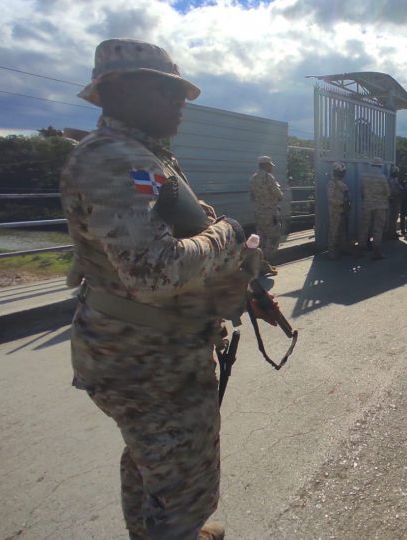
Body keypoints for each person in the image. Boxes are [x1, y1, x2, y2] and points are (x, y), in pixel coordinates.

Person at [59, 38, 276, 540]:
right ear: (116, 90)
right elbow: (154, 272)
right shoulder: (114, 159)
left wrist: (239, 287)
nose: (179, 102)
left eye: (179, 91)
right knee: (183, 483)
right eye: (163, 90)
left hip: (152, 350)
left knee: (151, 464)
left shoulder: (144, 156)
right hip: (146, 360)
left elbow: (169, 246)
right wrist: (228, 234)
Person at [250, 155, 284, 275]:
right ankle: (267, 263)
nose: (271, 168)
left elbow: (252, 197)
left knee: (261, 239)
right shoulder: (269, 177)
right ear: (265, 165)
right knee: (274, 237)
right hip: (270, 213)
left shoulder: (253, 178)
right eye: (270, 165)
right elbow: (279, 194)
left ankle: (259, 264)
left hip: (258, 213)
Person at [358, 157, 390, 259]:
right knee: (378, 229)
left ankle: (361, 250)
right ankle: (376, 252)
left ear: (371, 165)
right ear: (380, 166)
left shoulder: (364, 176)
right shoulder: (382, 177)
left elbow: (362, 191)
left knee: (364, 228)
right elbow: (388, 193)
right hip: (380, 206)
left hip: (367, 205)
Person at [327, 161, 351, 259]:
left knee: (343, 231)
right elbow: (330, 198)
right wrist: (341, 203)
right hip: (335, 211)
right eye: (341, 172)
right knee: (334, 231)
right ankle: (332, 252)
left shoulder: (340, 183)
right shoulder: (332, 183)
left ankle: (343, 248)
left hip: (343, 210)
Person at [386, 165, 403, 240]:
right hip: (393, 201)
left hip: (395, 200)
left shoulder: (394, 179)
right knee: (392, 218)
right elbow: (393, 191)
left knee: (394, 218)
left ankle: (393, 232)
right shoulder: (391, 180)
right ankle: (391, 233)